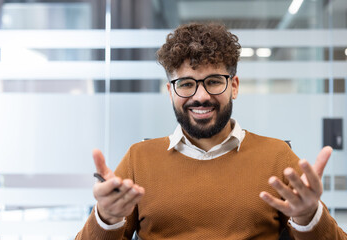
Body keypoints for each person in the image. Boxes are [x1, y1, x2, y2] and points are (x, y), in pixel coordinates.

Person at [76, 22, 347, 239]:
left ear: (235, 86)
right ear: (171, 91)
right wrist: (106, 218)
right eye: (185, 84)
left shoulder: (278, 157)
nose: (201, 96)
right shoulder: (138, 159)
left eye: (214, 81)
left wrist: (309, 218)